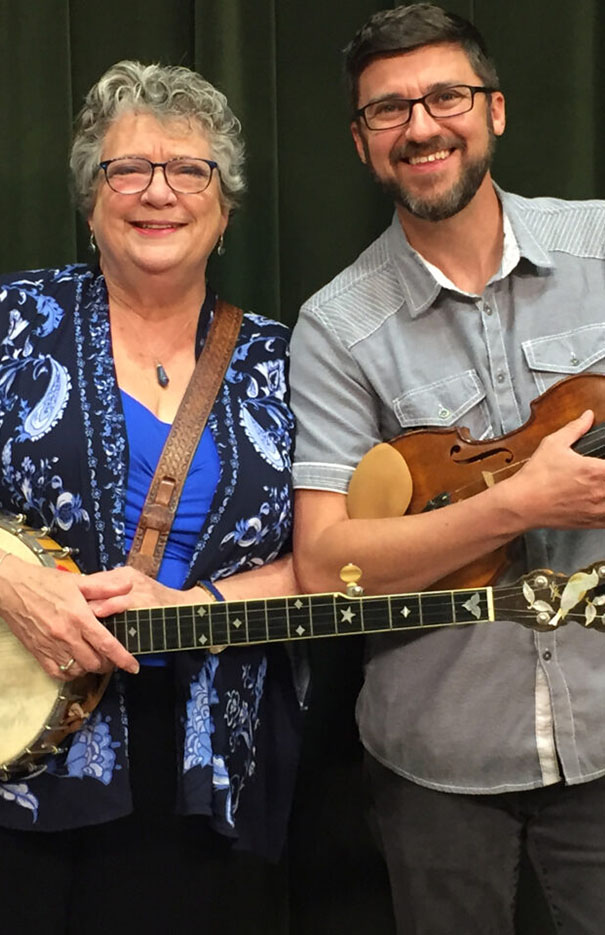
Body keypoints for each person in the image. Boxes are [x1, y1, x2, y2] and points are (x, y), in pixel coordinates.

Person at [290, 5, 605, 934]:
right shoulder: (337, 328)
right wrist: (518, 503)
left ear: (495, 111)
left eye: (444, 97)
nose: (420, 125)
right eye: (388, 110)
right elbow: (326, 564)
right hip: (438, 760)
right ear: (361, 142)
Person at [0, 60, 301, 934]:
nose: (156, 191)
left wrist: (193, 602)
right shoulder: (13, 319)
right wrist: (13, 581)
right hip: (15, 738)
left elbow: (327, 560)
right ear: (91, 197)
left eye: (188, 169)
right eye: (126, 168)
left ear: (225, 202)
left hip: (209, 760)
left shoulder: (285, 361)